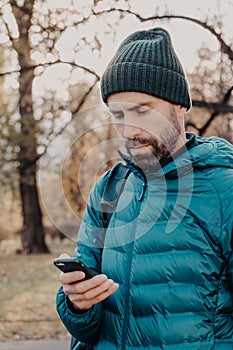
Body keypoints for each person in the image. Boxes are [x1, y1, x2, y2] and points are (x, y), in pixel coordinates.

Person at [56, 27, 233, 349]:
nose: (129, 129)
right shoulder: (108, 188)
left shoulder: (225, 190)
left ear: (179, 106)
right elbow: (84, 327)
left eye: (142, 110)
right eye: (118, 114)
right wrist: (77, 303)